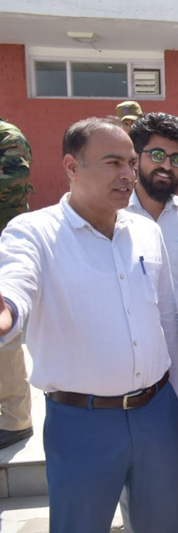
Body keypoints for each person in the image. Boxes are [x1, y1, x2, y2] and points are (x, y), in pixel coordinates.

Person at [0, 117, 178, 532]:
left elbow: (166, 321)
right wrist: (8, 310)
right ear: (72, 167)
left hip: (156, 414)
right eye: (112, 163)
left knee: (163, 525)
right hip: (81, 423)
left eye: (130, 162)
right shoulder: (33, 233)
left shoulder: (145, 232)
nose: (127, 175)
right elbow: (15, 284)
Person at [123, 112, 178, 533]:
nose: (166, 165)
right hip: (126, 365)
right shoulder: (115, 212)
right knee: (131, 466)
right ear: (135, 157)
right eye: (156, 154)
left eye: (176, 157)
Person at [0, 117, 34, 450]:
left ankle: (15, 417)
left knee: (4, 333)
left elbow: (16, 179)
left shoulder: (7, 135)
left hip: (3, 240)